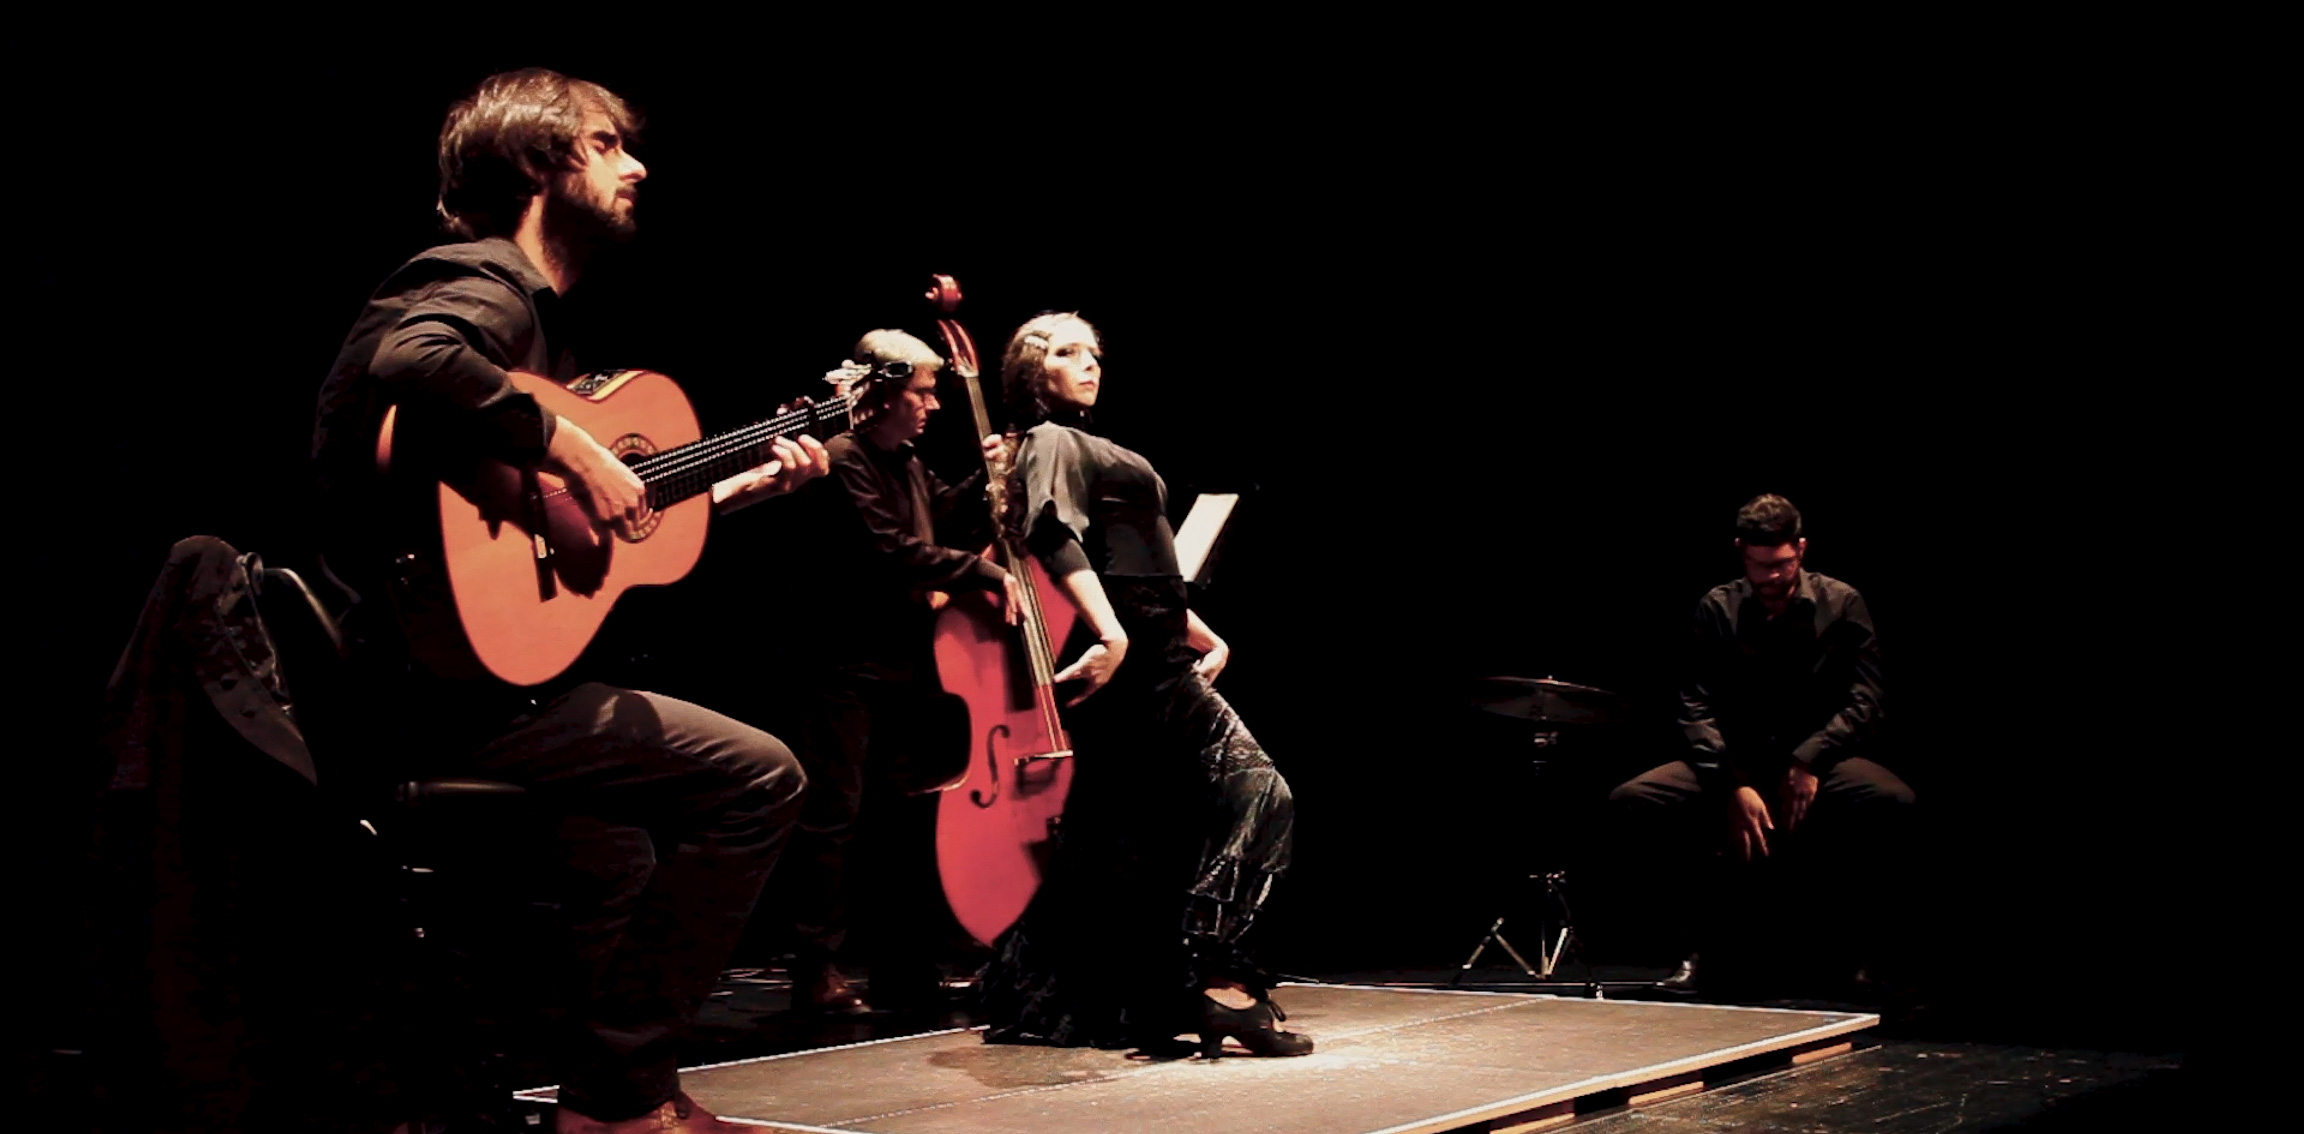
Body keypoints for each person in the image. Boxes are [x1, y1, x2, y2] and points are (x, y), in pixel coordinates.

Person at [309, 68, 827, 1134]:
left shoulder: (539, 337)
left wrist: (743, 488)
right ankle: (620, 1099)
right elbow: (417, 357)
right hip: (424, 689)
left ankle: (594, 1093)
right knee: (760, 778)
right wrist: (570, 444)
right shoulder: (484, 284)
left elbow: (577, 537)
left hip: (444, 677)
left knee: (616, 847)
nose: (636, 167)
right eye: (606, 145)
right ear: (544, 165)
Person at [976, 312, 1310, 1058]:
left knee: (1129, 832)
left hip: (1157, 644)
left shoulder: (1086, 442)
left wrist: (1199, 630)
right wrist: (1110, 634)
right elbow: (1054, 536)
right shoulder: (1052, 442)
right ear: (1032, 371)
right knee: (1262, 793)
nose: (1088, 364)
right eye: (1066, 353)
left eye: (1093, 352)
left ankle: (1143, 990)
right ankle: (1216, 975)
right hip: (1136, 660)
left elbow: (1139, 561)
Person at [767, 330, 1020, 1015]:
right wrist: (986, 571)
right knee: (831, 819)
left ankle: (898, 961)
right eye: (922, 392)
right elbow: (890, 548)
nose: (933, 404)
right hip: (841, 665)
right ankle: (814, 968)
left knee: (896, 818)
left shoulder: (905, 460)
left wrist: (989, 473)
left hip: (902, 662)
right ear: (880, 395)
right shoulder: (844, 460)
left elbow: (943, 516)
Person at [1608, 494, 1917, 998]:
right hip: (1737, 759)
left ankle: (1863, 960)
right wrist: (1734, 783)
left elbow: (1867, 701)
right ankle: (1695, 951)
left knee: (1892, 801)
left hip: (1817, 757)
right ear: (1740, 552)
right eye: (1758, 566)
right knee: (1635, 800)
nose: (1770, 578)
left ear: (1801, 547)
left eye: (1781, 565)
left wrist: (1808, 760)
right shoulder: (1718, 606)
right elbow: (1694, 707)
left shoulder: (1842, 602)